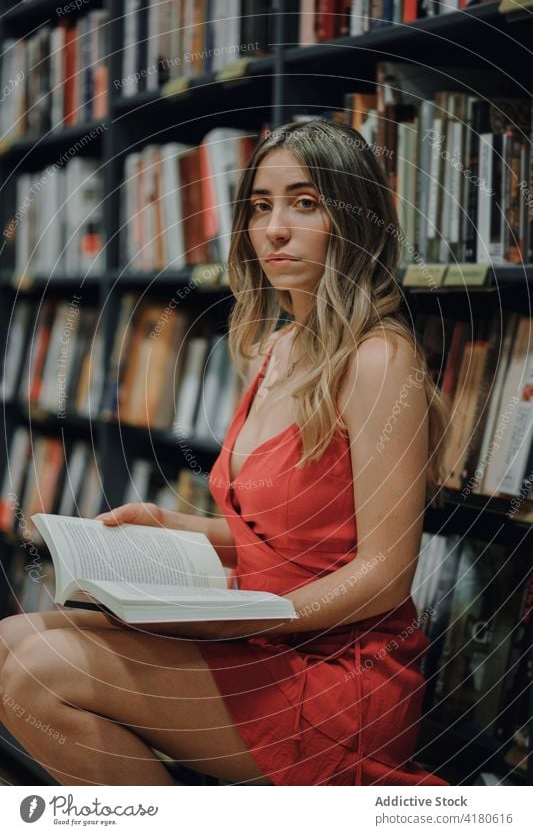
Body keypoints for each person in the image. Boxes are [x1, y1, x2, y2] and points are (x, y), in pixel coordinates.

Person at [0, 118, 451, 786]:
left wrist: (241, 619)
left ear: (356, 218)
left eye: (305, 202)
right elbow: (298, 540)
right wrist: (177, 527)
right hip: (261, 637)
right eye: (261, 207)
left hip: (338, 668)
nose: (274, 229)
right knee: (11, 640)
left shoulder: (380, 358)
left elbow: (385, 573)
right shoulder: (275, 349)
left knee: (40, 671)